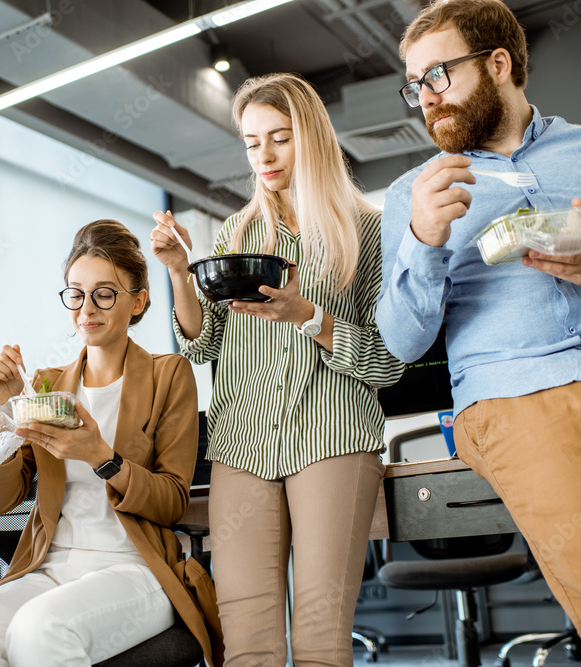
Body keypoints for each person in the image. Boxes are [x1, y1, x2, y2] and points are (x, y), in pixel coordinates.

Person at [375, 1, 581, 664]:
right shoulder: (410, 194)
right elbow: (400, 341)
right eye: (414, 84)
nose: (424, 98)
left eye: (438, 76)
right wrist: (424, 239)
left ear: (499, 64)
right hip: (521, 397)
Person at [150, 73, 404, 665]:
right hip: (243, 444)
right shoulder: (237, 231)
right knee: (245, 645)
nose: (263, 156)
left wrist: (308, 317)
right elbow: (203, 344)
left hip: (333, 436)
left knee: (319, 639)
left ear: (310, 138)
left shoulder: (366, 231)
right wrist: (178, 272)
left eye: (280, 138)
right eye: (251, 142)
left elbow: (387, 364)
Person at [0, 219, 221, 667]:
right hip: (50, 565)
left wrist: (101, 458)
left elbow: (171, 502)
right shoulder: (47, 384)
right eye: (76, 292)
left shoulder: (169, 374)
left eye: (105, 292)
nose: (86, 308)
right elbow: (1, 500)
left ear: (138, 301)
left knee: (40, 631)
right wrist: (3, 411)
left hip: (134, 565)